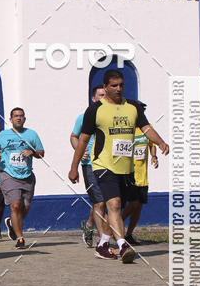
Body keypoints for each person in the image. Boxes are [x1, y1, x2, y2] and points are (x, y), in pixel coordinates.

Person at [68, 69, 169, 263]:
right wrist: (74, 167)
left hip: (126, 167)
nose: (119, 89)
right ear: (105, 87)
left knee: (118, 207)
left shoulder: (132, 107)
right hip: (102, 164)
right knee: (113, 204)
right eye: (114, 85)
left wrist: (160, 142)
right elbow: (82, 140)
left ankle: (103, 243)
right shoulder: (95, 110)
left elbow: (147, 128)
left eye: (121, 85)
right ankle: (123, 246)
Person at [0, 107, 44, 249]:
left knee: (25, 207)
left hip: (27, 176)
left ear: (24, 119)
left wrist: (32, 152)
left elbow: (41, 153)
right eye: (15, 116)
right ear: (11, 119)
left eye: (21, 116)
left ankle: (12, 224)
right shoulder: (3, 135)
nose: (18, 118)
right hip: (8, 174)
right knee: (15, 205)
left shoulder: (31, 134)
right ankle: (20, 238)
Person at [71, 85, 108, 248]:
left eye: (106, 95)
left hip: (108, 164)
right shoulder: (85, 117)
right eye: (101, 95)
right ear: (93, 98)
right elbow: (73, 136)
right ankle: (103, 241)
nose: (104, 97)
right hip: (89, 165)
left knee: (104, 201)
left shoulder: (111, 117)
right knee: (100, 202)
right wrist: (80, 150)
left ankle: (88, 225)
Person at [122, 127, 158, 244]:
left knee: (138, 207)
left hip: (143, 177)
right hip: (130, 174)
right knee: (134, 203)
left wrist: (154, 156)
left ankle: (128, 234)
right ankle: (115, 223)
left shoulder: (147, 129)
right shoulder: (127, 128)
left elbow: (152, 144)